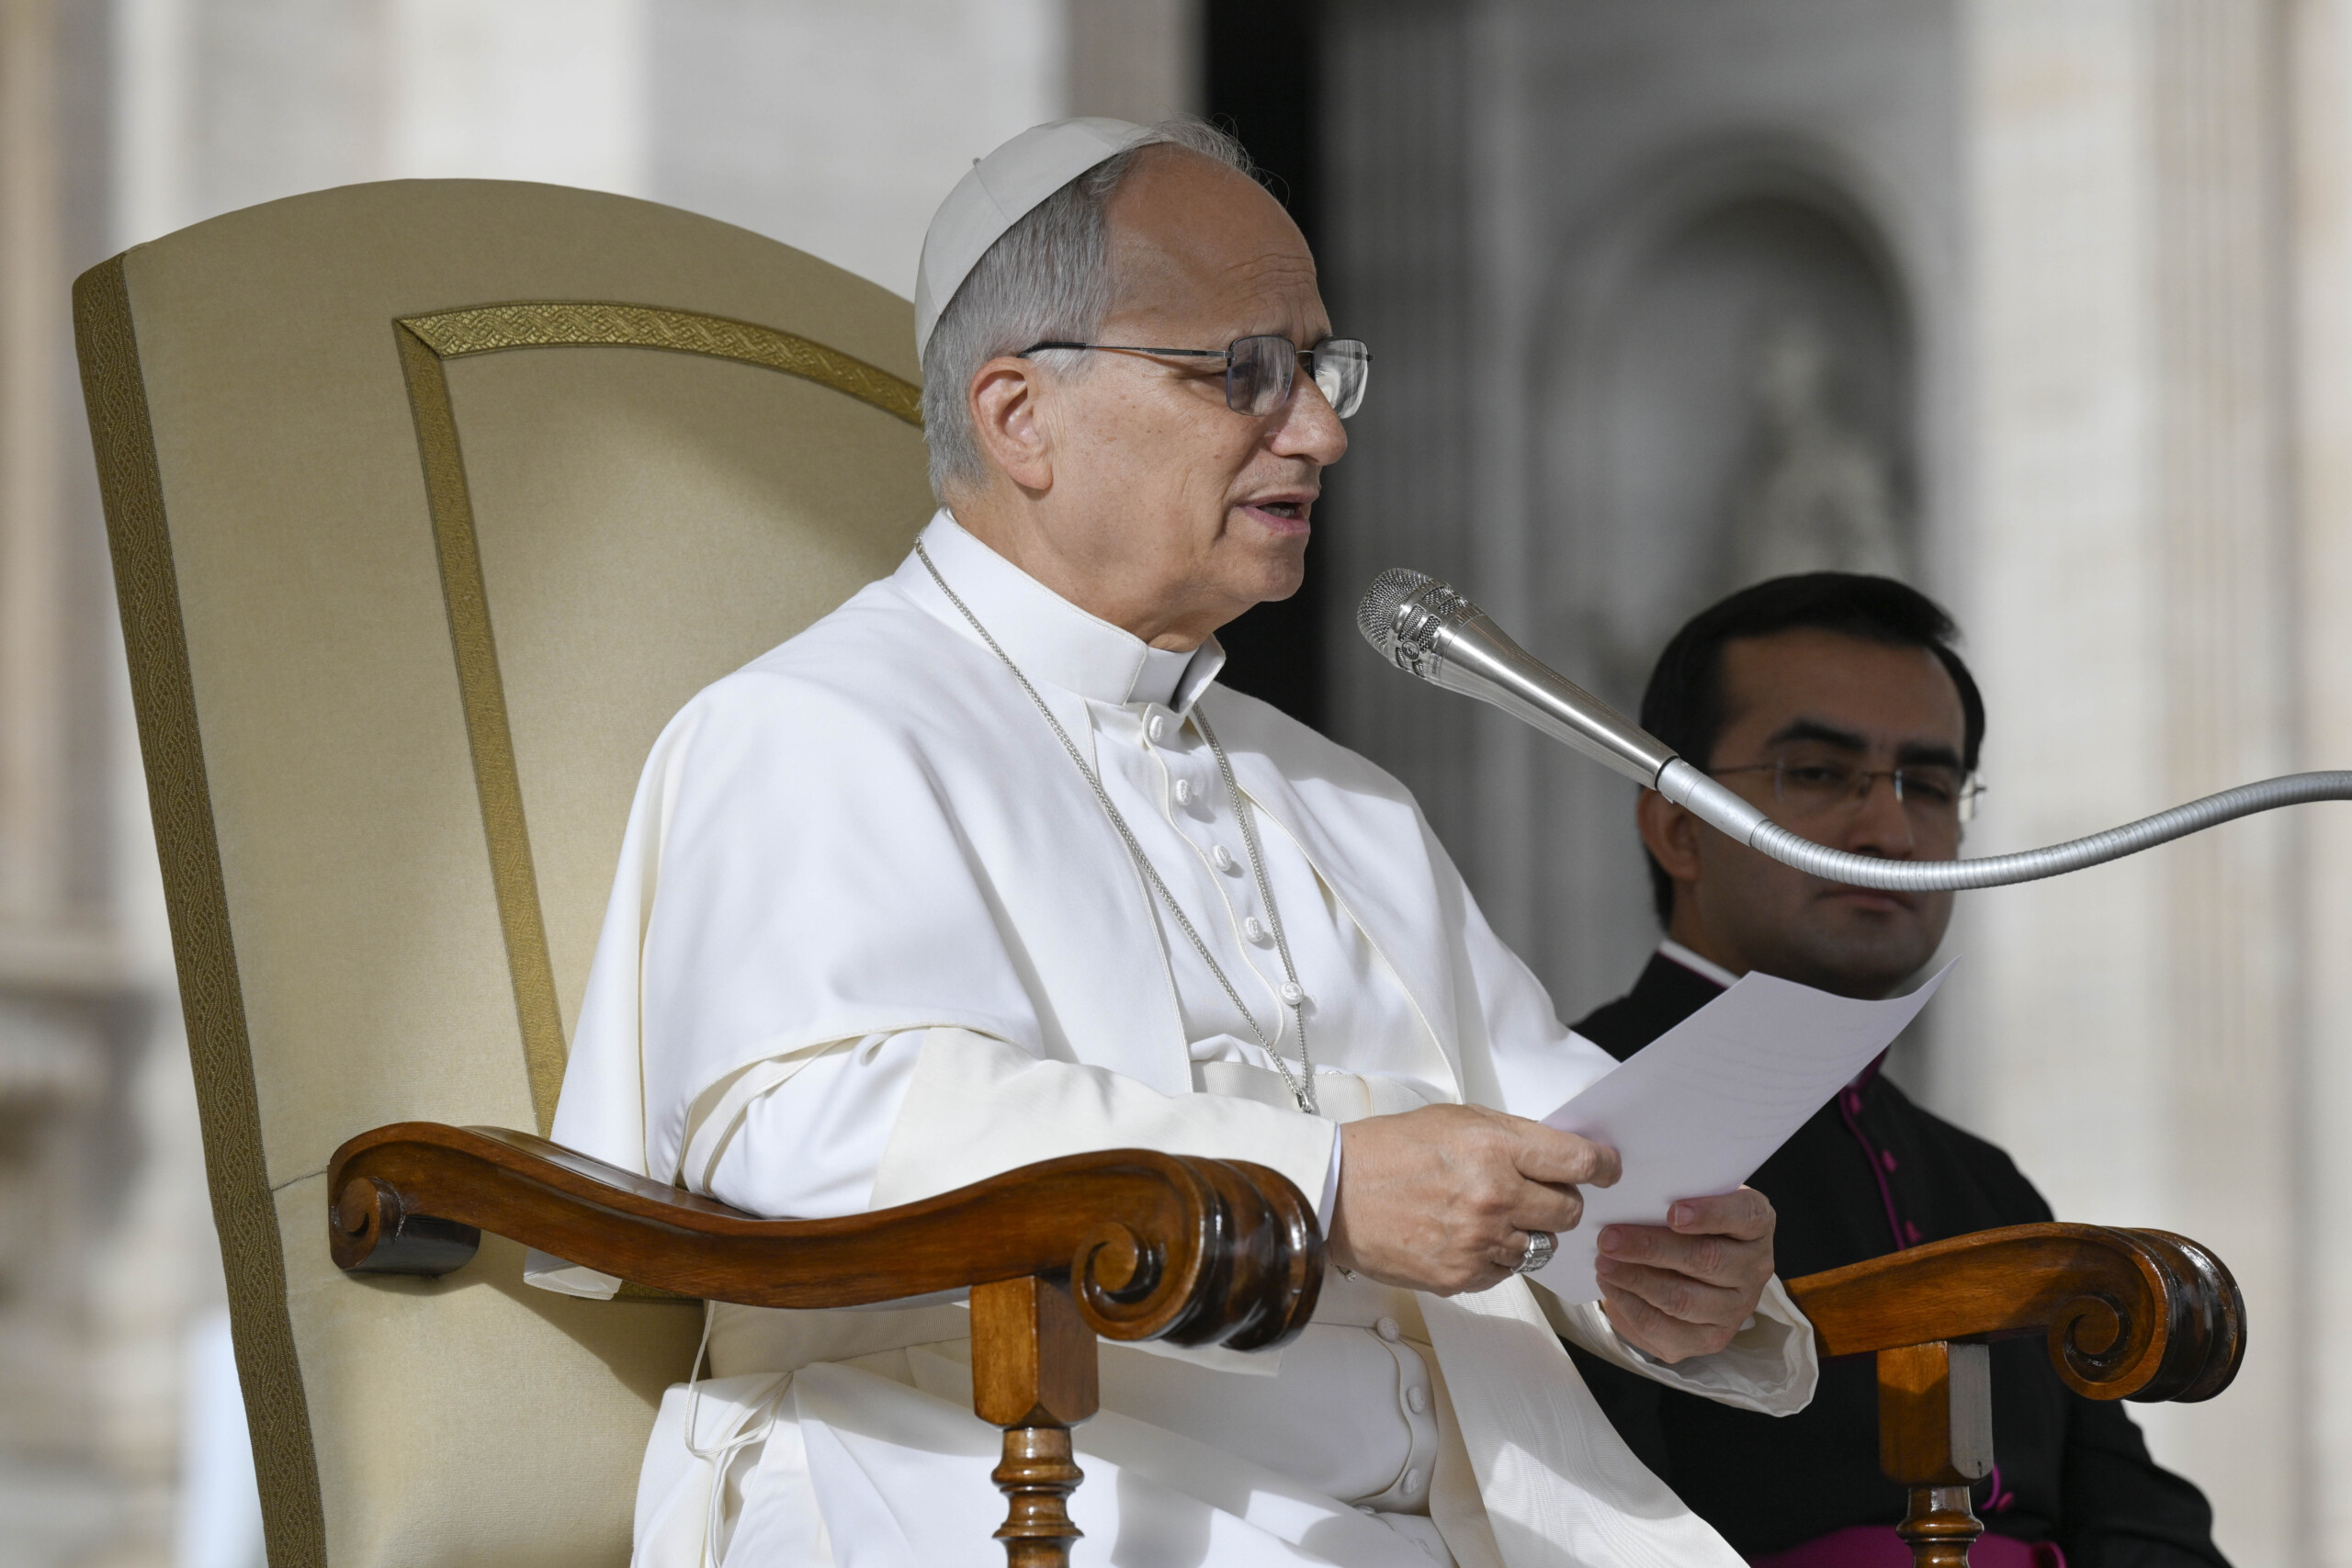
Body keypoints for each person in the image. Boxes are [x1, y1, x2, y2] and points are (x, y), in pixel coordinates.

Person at [537, 117, 1819, 1568]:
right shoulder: (812, 727)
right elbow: (808, 1124)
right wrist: (1320, 1183)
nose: (1321, 431)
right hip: (1012, 1482)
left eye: (1320, 369)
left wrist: (1665, 1257)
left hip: (1459, 1515)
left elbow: (1561, 1125)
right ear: (1021, 415)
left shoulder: (1341, 795)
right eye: (1244, 372)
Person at [1566, 574, 2228, 1568]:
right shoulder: (1565, 1118)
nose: (1889, 832)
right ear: (1678, 828)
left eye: (1929, 784)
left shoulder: (1983, 1181)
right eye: (1817, 773)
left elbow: (2140, 1520)